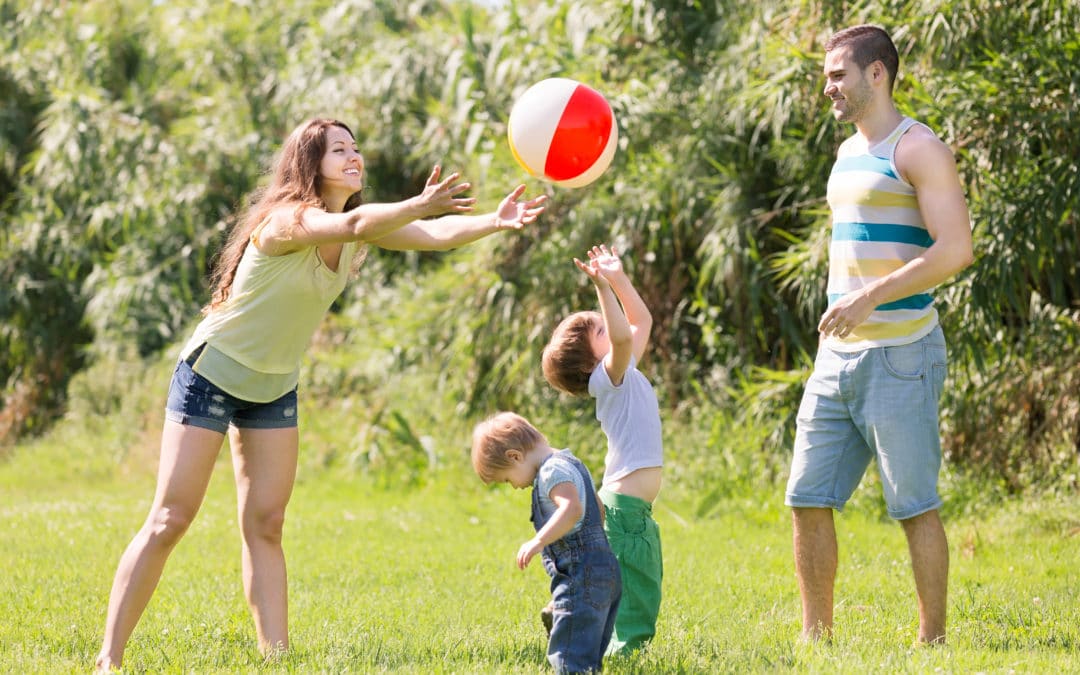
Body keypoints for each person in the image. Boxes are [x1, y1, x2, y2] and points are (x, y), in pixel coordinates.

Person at [93, 118, 547, 672]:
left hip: (273, 385)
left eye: (356, 148)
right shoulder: (287, 221)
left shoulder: (346, 227)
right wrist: (420, 202)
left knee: (266, 522)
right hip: (211, 375)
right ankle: (109, 659)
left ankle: (275, 657)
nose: (354, 157)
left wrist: (493, 222)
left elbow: (427, 237)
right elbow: (361, 221)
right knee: (171, 519)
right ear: (311, 163)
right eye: (339, 150)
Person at [784, 25, 974, 644]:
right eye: (827, 75)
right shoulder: (845, 154)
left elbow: (955, 250)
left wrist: (871, 297)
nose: (827, 86)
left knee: (913, 504)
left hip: (902, 354)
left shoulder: (919, 149)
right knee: (806, 496)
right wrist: (847, 308)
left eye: (838, 74)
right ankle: (817, 637)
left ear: (877, 74)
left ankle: (933, 639)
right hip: (836, 355)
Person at [541, 244, 663, 655]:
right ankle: (622, 650)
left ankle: (570, 612)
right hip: (626, 506)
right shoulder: (607, 381)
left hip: (627, 505)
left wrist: (617, 277)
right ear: (591, 363)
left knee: (621, 579)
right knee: (637, 583)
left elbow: (640, 321)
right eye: (600, 331)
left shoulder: (623, 372)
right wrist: (602, 289)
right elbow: (624, 334)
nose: (610, 332)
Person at [471, 411, 621, 674]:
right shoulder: (572, 462)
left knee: (569, 660)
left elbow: (572, 508)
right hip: (605, 570)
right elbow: (597, 508)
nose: (514, 487)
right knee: (587, 658)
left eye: (507, 479)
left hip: (581, 576)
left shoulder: (551, 471)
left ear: (514, 456)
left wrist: (539, 540)